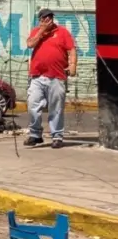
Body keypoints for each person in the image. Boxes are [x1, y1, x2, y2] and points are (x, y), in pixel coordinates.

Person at [25, 8, 77, 148]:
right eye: (45, 17)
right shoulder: (36, 31)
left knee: (56, 108)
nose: (48, 20)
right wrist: (42, 31)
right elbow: (30, 44)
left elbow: (71, 49)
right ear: (40, 19)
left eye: (50, 17)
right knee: (32, 105)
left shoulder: (62, 32)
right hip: (37, 76)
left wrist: (72, 65)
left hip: (56, 76)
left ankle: (57, 136)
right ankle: (35, 135)